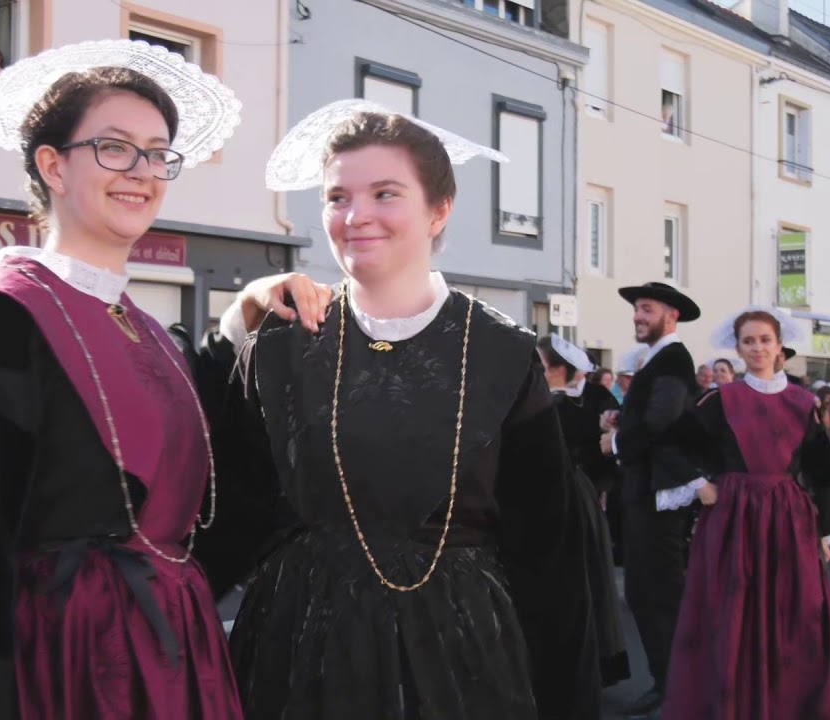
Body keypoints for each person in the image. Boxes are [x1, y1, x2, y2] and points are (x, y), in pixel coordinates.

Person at [194, 99, 601, 719]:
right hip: (301, 651)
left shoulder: (499, 352)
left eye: (386, 193)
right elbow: (232, 513)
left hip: (463, 657)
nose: (356, 216)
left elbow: (548, 551)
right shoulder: (278, 347)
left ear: (439, 209)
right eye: (337, 197)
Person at [0, 40, 246, 720]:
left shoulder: (148, 329)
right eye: (113, 147)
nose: (142, 170)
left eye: (158, 152)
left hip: (172, 660)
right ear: (51, 164)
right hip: (61, 666)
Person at [661, 306, 830, 720]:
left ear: (778, 346)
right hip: (733, 521)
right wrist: (700, 484)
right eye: (748, 341)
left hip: (789, 522)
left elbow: (823, 469)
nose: (757, 348)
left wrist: (825, 533)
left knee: (797, 619)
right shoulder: (720, 401)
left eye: (764, 340)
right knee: (730, 616)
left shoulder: (803, 402)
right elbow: (672, 444)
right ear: (737, 348)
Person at [597, 282, 700, 719]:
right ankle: (672, 681)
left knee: (656, 592)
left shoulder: (673, 358)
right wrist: (623, 417)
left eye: (646, 309)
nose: (638, 316)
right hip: (645, 489)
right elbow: (653, 415)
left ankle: (675, 684)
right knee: (647, 591)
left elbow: (664, 420)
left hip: (660, 492)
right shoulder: (657, 359)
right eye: (637, 310)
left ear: (670, 315)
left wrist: (615, 442)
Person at [538, 333, 630, 688]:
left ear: (560, 369)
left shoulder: (585, 402)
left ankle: (580, 664)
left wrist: (602, 487)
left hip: (573, 496)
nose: (537, 371)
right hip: (550, 495)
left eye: (542, 365)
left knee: (580, 578)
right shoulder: (544, 399)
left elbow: (603, 453)